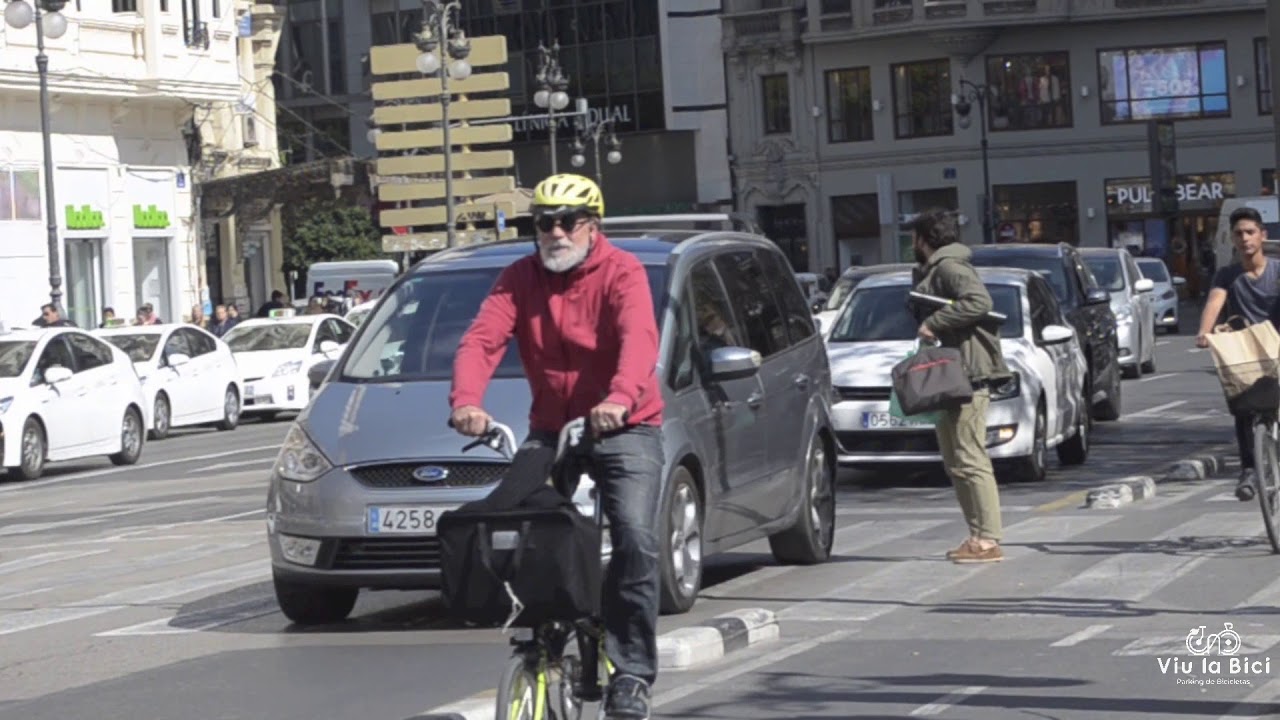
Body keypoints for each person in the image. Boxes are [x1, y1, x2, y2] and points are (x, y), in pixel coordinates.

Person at [449, 173, 664, 720]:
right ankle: (544, 631)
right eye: (543, 223)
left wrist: (618, 398)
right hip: (554, 426)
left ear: (593, 227)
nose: (554, 233)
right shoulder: (518, 278)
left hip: (626, 423)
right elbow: (482, 339)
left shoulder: (623, 272)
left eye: (567, 222)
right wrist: (467, 402)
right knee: (515, 520)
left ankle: (633, 672)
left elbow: (639, 339)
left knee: (637, 538)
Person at [908, 208, 1011, 564]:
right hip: (953, 374)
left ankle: (988, 539)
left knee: (970, 457)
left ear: (924, 239)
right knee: (956, 460)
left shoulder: (951, 267)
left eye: (914, 237)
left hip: (967, 374)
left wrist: (935, 321)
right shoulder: (938, 268)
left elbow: (979, 302)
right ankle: (977, 535)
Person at [1196, 206, 1279, 502]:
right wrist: (1205, 332)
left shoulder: (1277, 271)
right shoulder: (1228, 275)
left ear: (1262, 235)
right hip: (1245, 349)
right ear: (1232, 239)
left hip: (1277, 348)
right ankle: (1249, 470)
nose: (1244, 238)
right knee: (1244, 404)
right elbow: (1215, 302)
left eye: (1250, 232)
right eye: (1238, 234)